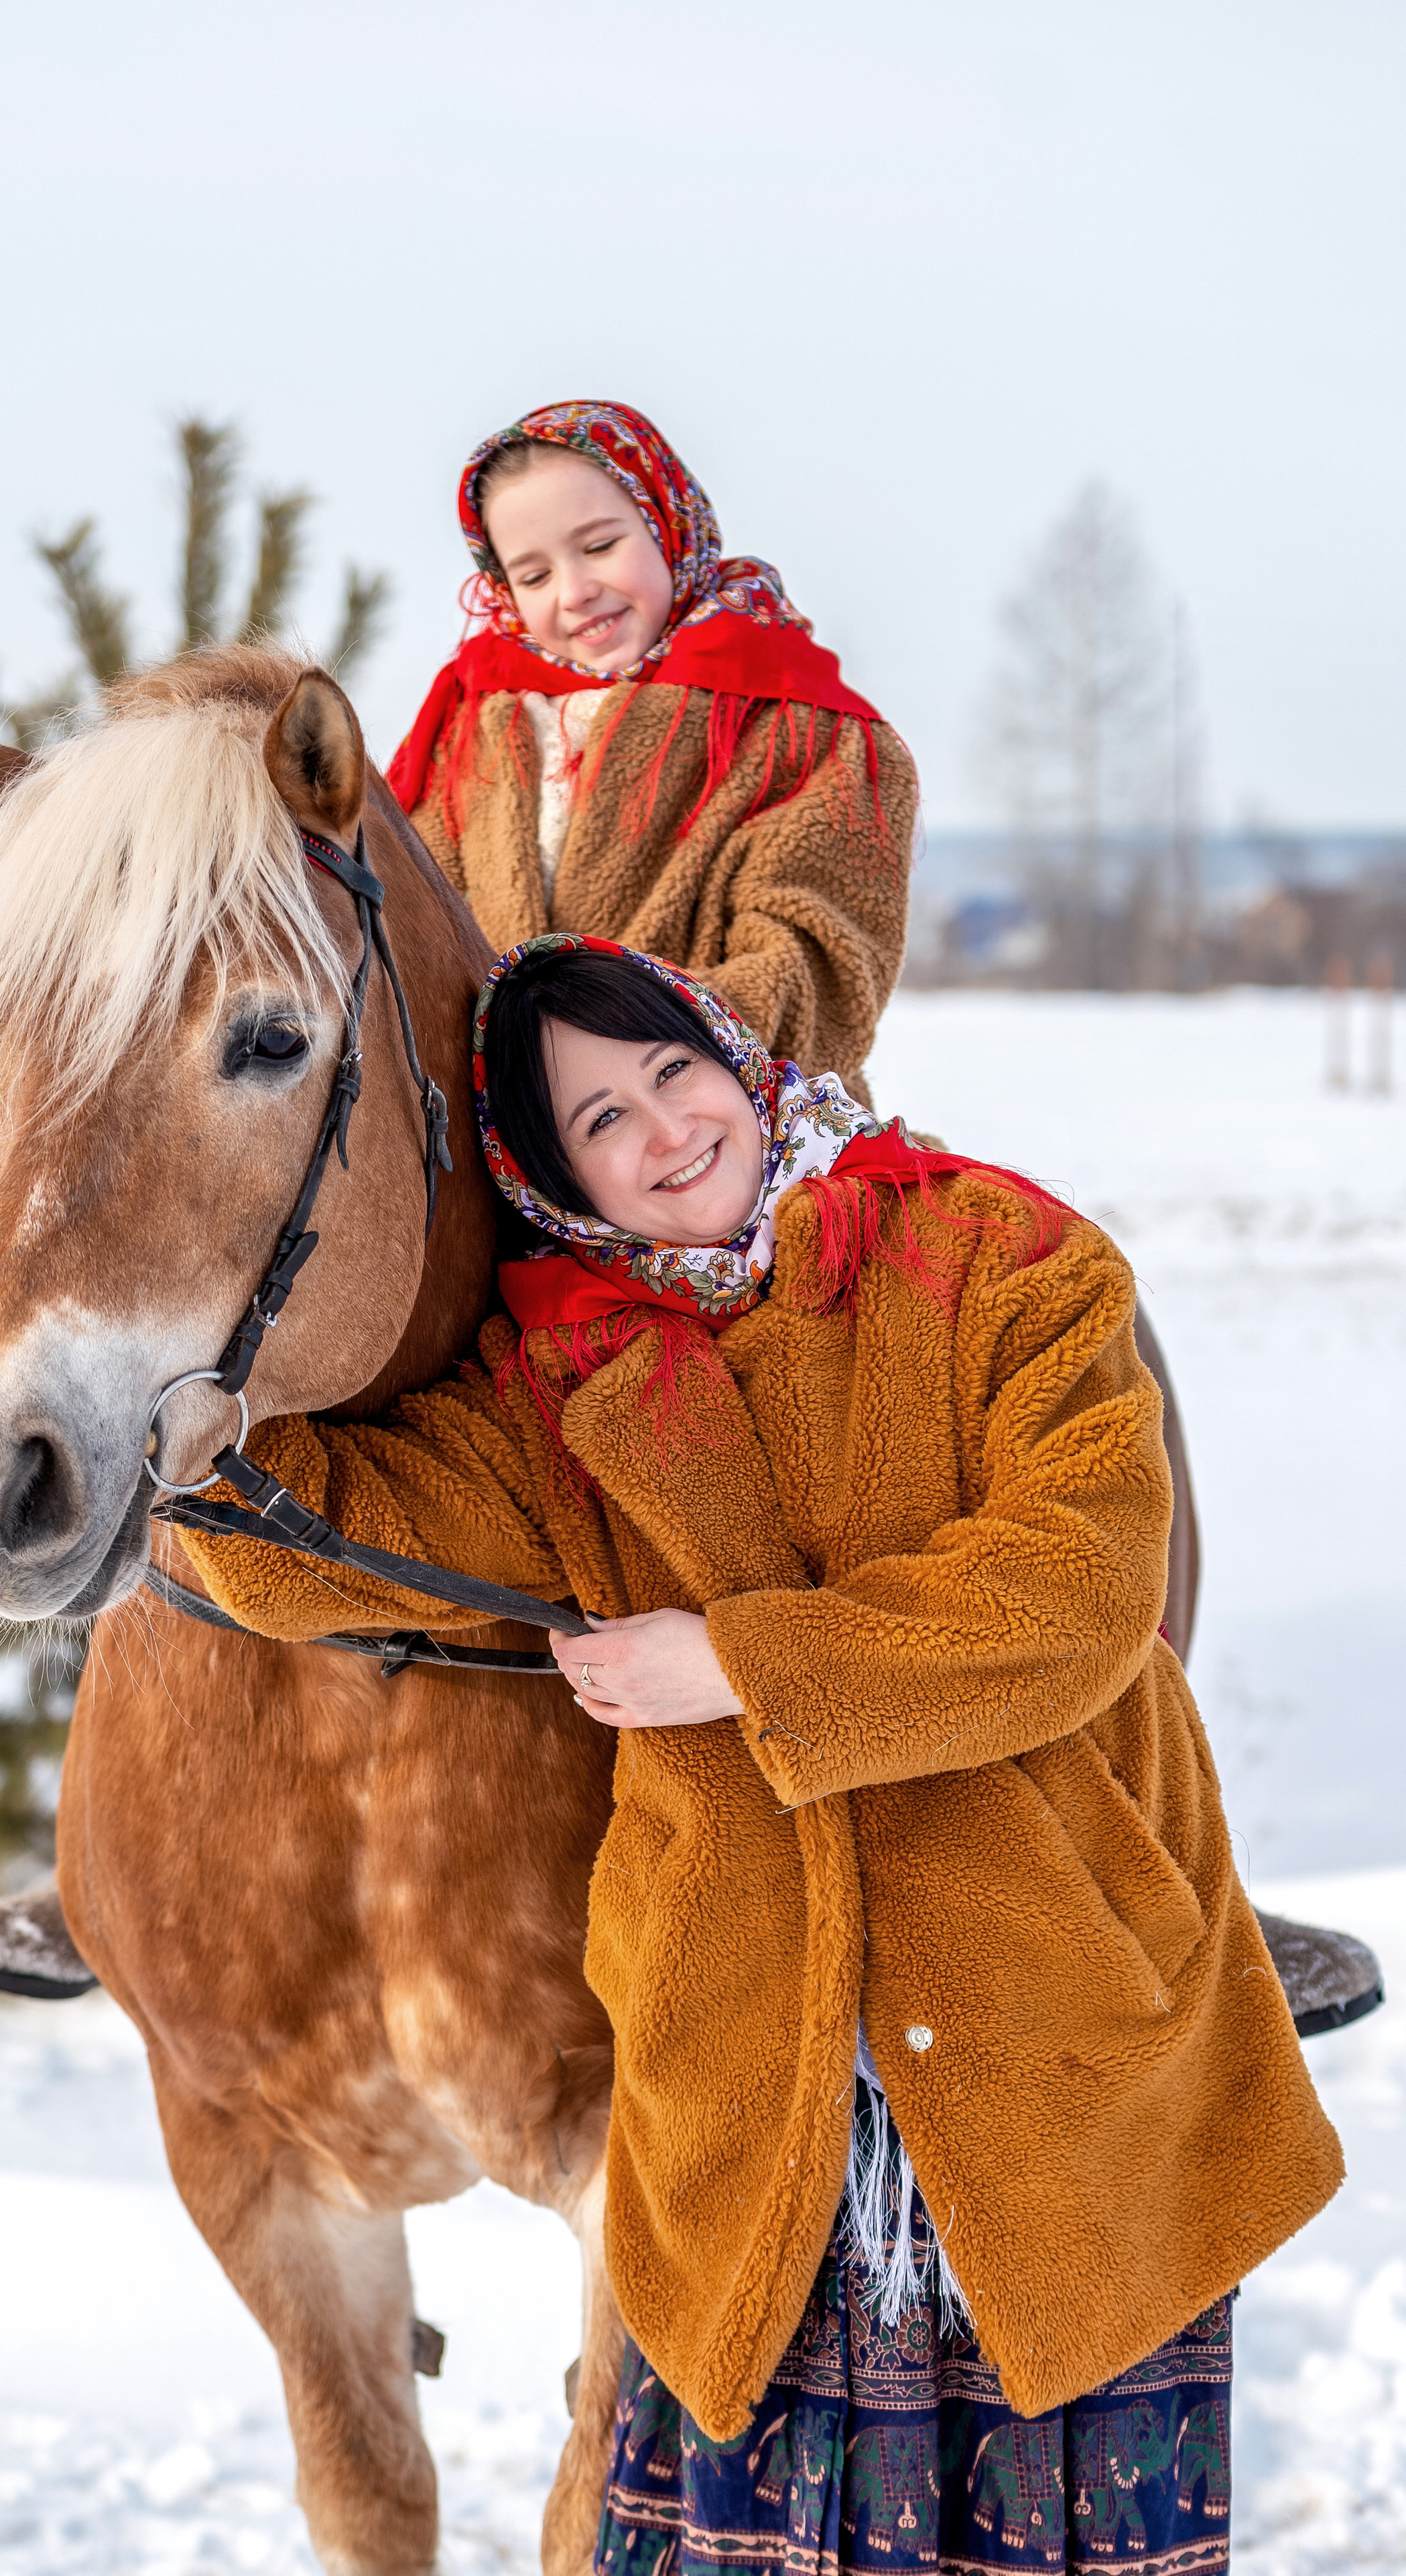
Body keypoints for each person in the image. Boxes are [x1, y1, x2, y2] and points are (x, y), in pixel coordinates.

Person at [184, 933, 1343, 2573]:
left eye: (675, 1072)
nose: (666, 1132)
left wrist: (728, 1661)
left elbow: (1081, 1586)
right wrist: (172, 1426)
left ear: (740, 1058)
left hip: (1042, 2064)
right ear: (552, 1174)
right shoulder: (559, 1387)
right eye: (601, 1121)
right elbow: (350, 1537)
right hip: (755, 2100)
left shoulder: (997, 1253)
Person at [387, 399, 916, 1100]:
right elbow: (414, 936)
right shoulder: (470, 729)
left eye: (601, 545)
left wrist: (602, 1054)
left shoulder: (801, 727)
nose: (575, 592)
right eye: (534, 575)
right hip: (507, 1150)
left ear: (667, 522)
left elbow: (816, 965)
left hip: (739, 1137)